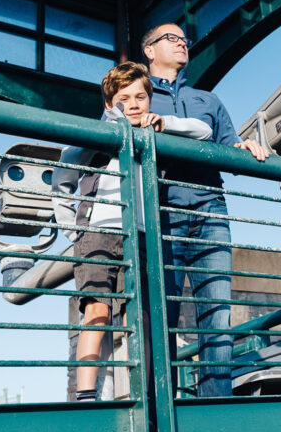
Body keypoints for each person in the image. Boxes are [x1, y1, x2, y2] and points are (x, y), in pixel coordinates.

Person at [52, 61, 212, 401]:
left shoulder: (156, 133)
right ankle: (85, 394)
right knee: (97, 311)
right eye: (124, 98)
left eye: (141, 96)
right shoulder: (100, 133)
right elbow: (63, 174)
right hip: (98, 233)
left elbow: (204, 132)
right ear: (110, 103)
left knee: (143, 316)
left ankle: (148, 400)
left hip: (141, 236)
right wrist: (72, 231)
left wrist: (164, 123)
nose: (135, 103)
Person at [142, 23, 269, 397]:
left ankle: (217, 406)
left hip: (211, 212)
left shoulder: (208, 100)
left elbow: (229, 146)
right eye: (171, 38)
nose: (182, 43)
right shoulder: (138, 95)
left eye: (185, 39)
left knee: (217, 314)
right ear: (149, 50)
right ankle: (156, 411)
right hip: (160, 212)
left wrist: (245, 148)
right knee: (160, 315)